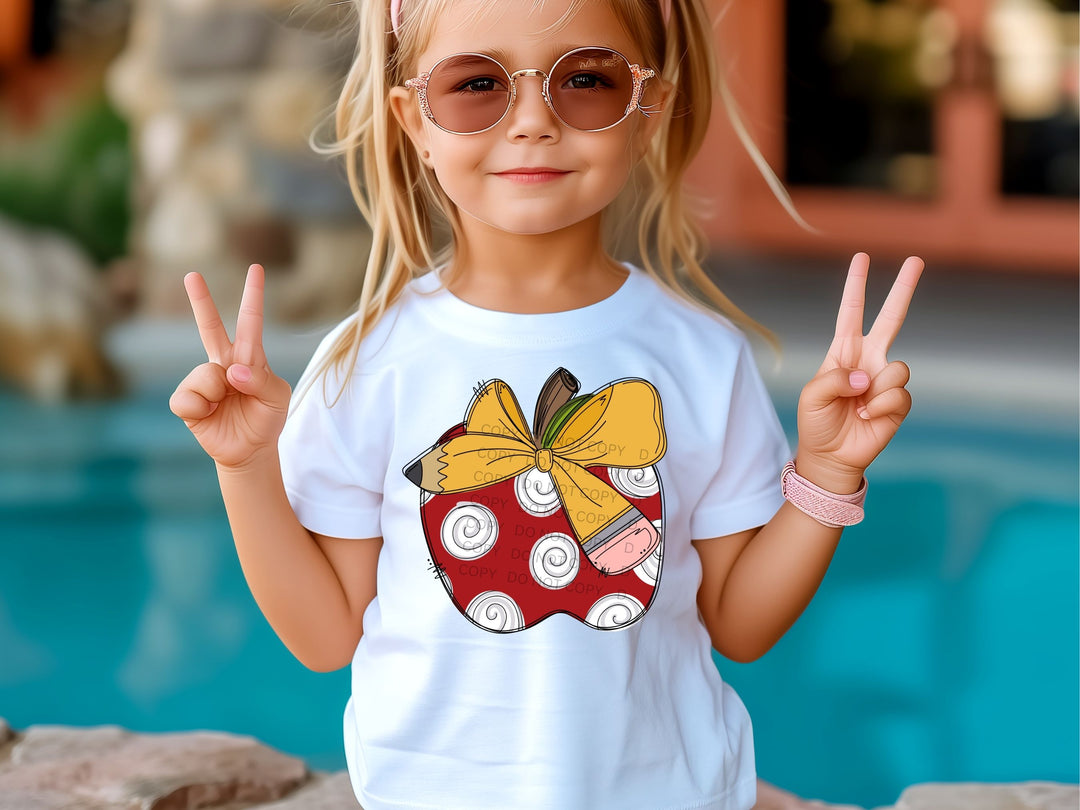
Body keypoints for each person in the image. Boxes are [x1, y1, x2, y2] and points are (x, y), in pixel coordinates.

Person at [169, 0, 924, 807]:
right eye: (476, 85)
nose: (532, 121)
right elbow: (324, 638)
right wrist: (245, 466)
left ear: (648, 108)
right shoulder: (365, 365)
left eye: (587, 80)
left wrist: (828, 469)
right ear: (412, 118)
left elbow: (741, 625)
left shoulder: (702, 358)